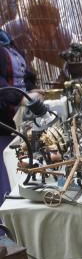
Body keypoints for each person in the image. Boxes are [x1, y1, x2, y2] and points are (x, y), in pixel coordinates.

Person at [0, 31, 35, 201]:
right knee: (4, 176)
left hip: (19, 119)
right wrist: (20, 97)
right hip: (3, 122)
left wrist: (30, 91)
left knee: (18, 169)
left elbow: (26, 75)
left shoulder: (6, 39)